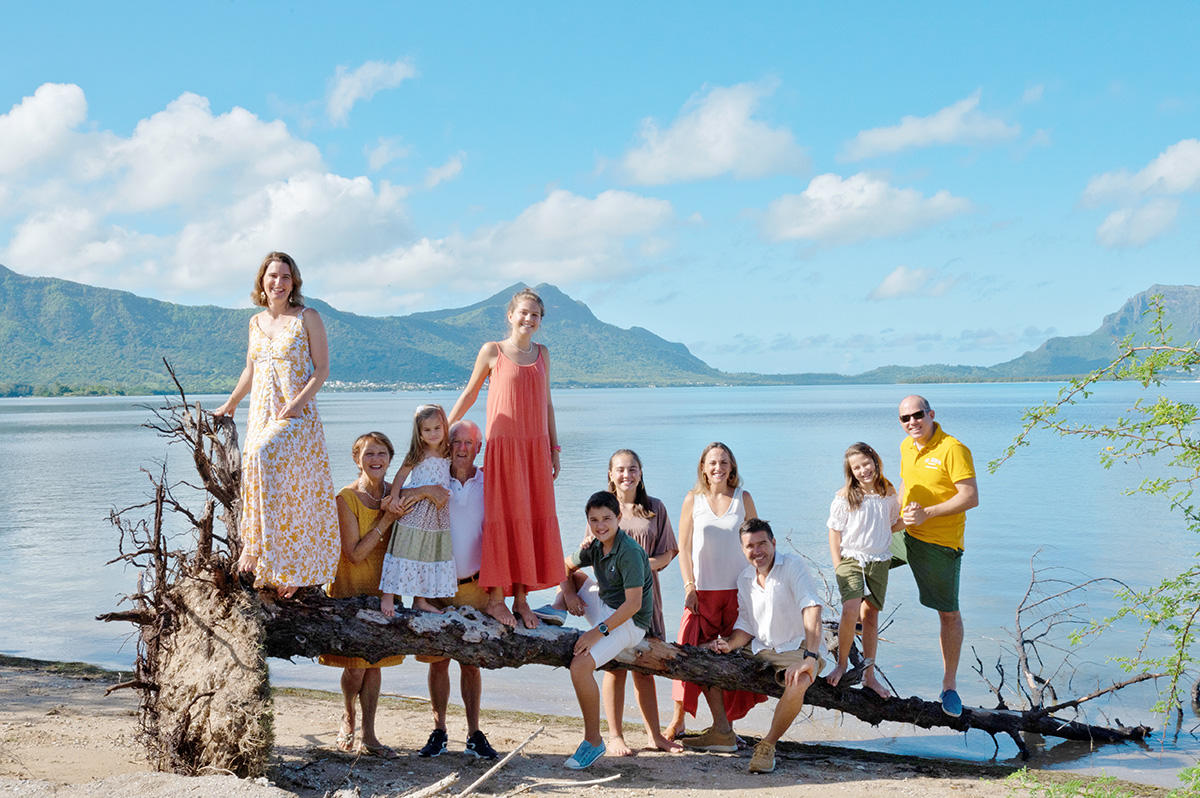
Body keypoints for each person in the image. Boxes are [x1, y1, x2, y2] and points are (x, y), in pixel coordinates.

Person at [535, 450, 684, 755]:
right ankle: (614, 735)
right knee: (615, 666)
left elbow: (669, 552)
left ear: (640, 472)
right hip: (610, 597)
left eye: (632, 469)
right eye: (620, 469)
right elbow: (577, 559)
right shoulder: (601, 512)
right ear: (610, 474)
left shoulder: (654, 508)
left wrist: (642, 566)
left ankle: (654, 735)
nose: (626, 475)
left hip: (642, 596)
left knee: (645, 666)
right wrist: (572, 594)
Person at [213, 251, 339, 597]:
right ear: (262, 281)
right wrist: (231, 403)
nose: (278, 283)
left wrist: (296, 405)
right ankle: (267, 559)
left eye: (285, 277)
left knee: (265, 462)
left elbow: (322, 369)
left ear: (293, 282)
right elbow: (250, 371)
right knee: (271, 481)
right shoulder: (255, 323)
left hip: (296, 417)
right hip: (261, 414)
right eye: (272, 276)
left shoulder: (307, 317)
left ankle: (275, 558)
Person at [447, 288, 565, 629]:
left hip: (536, 449)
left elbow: (547, 405)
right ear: (510, 316)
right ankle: (497, 600)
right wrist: (444, 431)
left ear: (540, 322)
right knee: (501, 518)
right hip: (503, 448)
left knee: (531, 518)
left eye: (535, 315)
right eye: (523, 313)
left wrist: (554, 449)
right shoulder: (493, 352)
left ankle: (523, 601)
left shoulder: (543, 354)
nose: (529, 319)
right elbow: (470, 393)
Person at [668, 442, 767, 749]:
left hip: (739, 592)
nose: (718, 467)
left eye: (724, 462)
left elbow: (758, 544)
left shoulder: (743, 498)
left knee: (732, 658)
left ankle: (725, 728)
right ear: (703, 467)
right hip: (702, 593)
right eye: (712, 462)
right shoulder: (692, 499)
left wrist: (763, 584)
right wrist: (689, 586)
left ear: (732, 466)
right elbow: (683, 547)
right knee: (687, 652)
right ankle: (678, 719)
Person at [708, 518, 826, 774]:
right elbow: (746, 626)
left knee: (801, 679)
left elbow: (812, 607)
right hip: (762, 649)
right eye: (750, 546)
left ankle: (768, 745)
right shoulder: (745, 579)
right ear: (743, 549)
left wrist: (810, 656)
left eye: (762, 544)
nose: (757, 551)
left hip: (798, 645)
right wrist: (728, 645)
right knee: (709, 661)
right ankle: (721, 731)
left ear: (773, 543)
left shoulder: (792, 565)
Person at [319, 432, 411, 757]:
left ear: (390, 458)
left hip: (384, 588)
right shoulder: (346, 498)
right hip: (351, 586)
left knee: (375, 663)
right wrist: (387, 519)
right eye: (369, 453)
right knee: (356, 665)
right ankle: (348, 714)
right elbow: (355, 553)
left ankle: (370, 736)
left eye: (382, 453)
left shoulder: (396, 494)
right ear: (357, 458)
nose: (376, 459)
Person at [415, 420, 500, 761]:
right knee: (437, 663)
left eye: (469, 442)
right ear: (447, 446)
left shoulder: (490, 481)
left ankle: (474, 733)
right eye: (457, 441)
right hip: (433, 586)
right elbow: (404, 497)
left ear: (478, 448)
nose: (462, 447)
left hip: (475, 587)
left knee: (471, 663)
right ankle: (439, 731)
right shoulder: (433, 477)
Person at [893, 394, 979, 717]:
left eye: (917, 415)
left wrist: (927, 513)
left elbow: (970, 496)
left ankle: (949, 686)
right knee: (861, 559)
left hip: (940, 544)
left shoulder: (952, 448)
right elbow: (905, 484)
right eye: (905, 418)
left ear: (931, 414)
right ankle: (856, 625)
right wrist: (893, 522)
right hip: (907, 535)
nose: (912, 422)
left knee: (948, 614)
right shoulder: (906, 447)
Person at [561, 491, 654, 770]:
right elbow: (564, 565)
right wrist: (568, 597)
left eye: (606, 519)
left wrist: (596, 632)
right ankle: (556, 612)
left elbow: (634, 605)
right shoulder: (595, 545)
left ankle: (593, 741)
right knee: (573, 577)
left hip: (629, 623)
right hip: (605, 606)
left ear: (619, 518)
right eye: (594, 520)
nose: (600, 526)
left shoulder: (629, 552)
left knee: (579, 667)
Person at [825, 442, 903, 698]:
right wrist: (838, 566)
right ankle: (842, 664)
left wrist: (915, 517)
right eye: (856, 467)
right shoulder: (845, 495)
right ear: (851, 471)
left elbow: (890, 524)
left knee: (870, 616)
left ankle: (869, 675)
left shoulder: (888, 491)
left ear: (875, 460)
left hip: (879, 560)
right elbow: (834, 532)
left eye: (865, 463)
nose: (863, 470)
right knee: (851, 610)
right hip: (850, 558)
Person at [380, 404, 456, 616]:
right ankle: (388, 594)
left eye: (437, 428)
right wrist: (394, 496)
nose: (433, 434)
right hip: (416, 510)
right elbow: (401, 476)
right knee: (404, 550)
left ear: (444, 427)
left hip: (437, 515)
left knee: (427, 554)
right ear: (420, 433)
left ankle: (419, 599)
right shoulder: (418, 452)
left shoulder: (447, 452)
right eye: (427, 430)